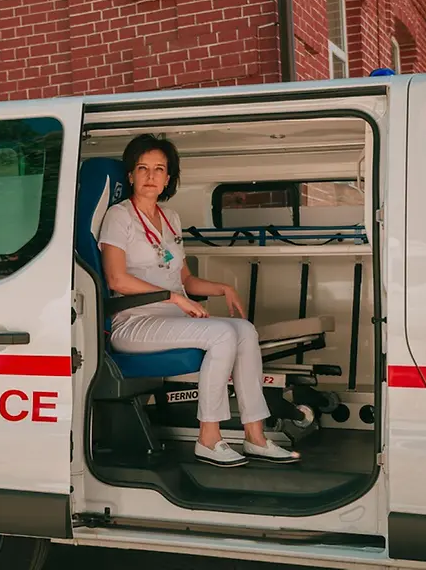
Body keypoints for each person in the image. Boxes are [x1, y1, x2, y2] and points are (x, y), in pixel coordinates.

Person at [97, 134, 301, 468]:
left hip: (171, 316)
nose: (151, 176)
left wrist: (223, 287)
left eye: (159, 169)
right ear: (130, 175)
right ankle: (208, 438)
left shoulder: (170, 218)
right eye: (143, 168)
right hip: (134, 321)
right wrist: (175, 297)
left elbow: (185, 278)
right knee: (221, 334)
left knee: (245, 330)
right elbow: (116, 279)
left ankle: (255, 436)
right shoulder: (119, 217)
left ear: (168, 178)